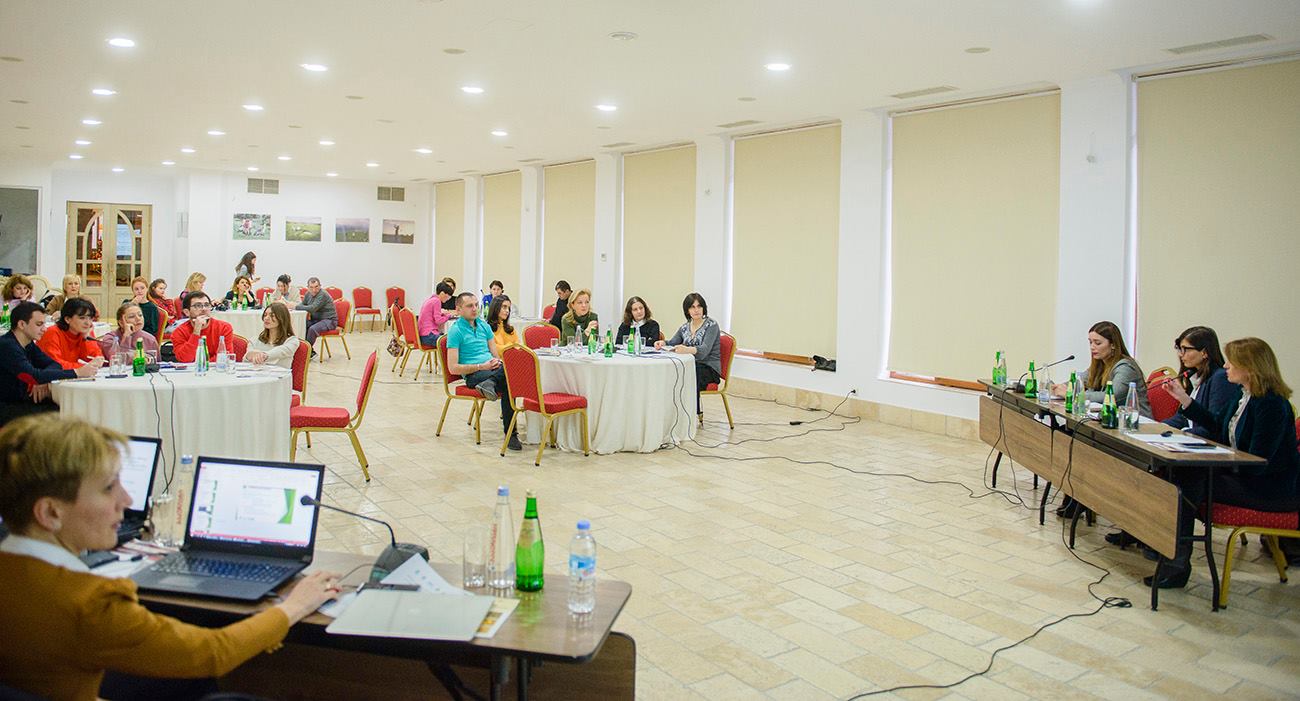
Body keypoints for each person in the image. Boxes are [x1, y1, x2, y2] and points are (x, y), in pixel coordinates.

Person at [0, 415, 342, 701]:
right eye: (108, 488)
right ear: (50, 512)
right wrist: (294, 606)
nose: (127, 499)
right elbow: (213, 652)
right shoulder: (89, 603)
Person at [1151, 337, 1300, 588]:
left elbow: (1257, 461)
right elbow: (1216, 425)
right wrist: (1184, 399)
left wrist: (1209, 462)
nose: (1226, 366)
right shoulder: (1243, 396)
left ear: (1250, 367)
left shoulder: (1272, 404)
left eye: (1232, 361)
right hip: (1245, 476)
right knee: (1174, 475)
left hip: (1270, 488)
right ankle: (1167, 555)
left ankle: (1176, 563)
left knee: (1182, 484)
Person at [0, 302, 98, 424]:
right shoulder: (7, 346)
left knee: (72, 408)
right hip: (6, 406)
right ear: (21, 324)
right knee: (67, 413)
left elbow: (54, 364)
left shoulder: (28, 344)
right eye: (39, 324)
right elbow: (32, 376)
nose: (44, 329)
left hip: (19, 400)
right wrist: (76, 372)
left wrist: (41, 379)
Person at [446, 292, 521, 451]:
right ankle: (511, 434)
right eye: (469, 306)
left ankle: (491, 383)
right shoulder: (455, 331)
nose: (475, 309)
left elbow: (495, 355)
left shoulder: (484, 326)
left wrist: (496, 363)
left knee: (510, 376)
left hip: (491, 370)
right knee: (509, 379)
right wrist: (481, 366)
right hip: (474, 375)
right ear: (458, 310)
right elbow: (453, 368)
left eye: (476, 305)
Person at [1163, 326, 1238, 439]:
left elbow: (1214, 425)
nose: (1181, 354)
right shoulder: (1196, 376)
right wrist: (1160, 427)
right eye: (1179, 349)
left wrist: (1181, 434)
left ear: (1204, 352)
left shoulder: (1220, 378)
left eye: (1186, 349)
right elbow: (1183, 419)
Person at [656, 292, 722, 417]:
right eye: (692, 307)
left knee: (689, 374)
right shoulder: (685, 327)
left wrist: (687, 349)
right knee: (675, 372)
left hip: (709, 368)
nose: (696, 310)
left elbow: (704, 351)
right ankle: (673, 413)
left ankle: (692, 415)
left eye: (699, 306)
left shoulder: (711, 325)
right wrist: (662, 343)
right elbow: (673, 342)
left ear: (703, 308)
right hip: (692, 365)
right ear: (687, 310)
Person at [36, 298, 104, 370]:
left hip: (68, 375)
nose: (88, 323)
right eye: (82, 318)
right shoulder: (52, 333)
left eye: (90, 318)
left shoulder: (82, 332)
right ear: (67, 319)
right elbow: (55, 365)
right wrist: (84, 367)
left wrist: (87, 339)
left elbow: (96, 358)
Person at [170, 291, 235, 363]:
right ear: (186, 312)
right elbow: (185, 359)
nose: (204, 309)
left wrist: (203, 365)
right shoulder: (179, 332)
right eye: (198, 305)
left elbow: (224, 357)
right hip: (192, 369)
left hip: (215, 368)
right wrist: (196, 332)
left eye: (207, 305)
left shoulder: (224, 328)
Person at [247, 302, 299, 369]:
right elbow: (246, 359)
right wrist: (250, 355)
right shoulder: (254, 340)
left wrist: (264, 355)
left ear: (282, 319)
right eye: (265, 315)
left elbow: (281, 351)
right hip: (256, 375)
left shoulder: (292, 341)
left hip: (280, 375)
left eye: (272, 316)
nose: (266, 318)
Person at [296, 277, 337, 354]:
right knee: (301, 324)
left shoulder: (322, 294)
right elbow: (302, 305)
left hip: (329, 320)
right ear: (308, 287)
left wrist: (294, 306)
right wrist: (295, 306)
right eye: (311, 287)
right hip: (316, 320)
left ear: (320, 286)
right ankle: (306, 350)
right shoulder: (308, 294)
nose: (314, 290)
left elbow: (312, 308)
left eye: (316, 287)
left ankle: (306, 352)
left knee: (312, 329)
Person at [418, 281, 456, 348]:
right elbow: (439, 321)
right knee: (454, 341)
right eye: (448, 296)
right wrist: (449, 315)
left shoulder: (431, 299)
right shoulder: (437, 301)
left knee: (449, 337)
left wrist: (443, 314)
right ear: (442, 293)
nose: (449, 298)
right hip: (429, 336)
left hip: (424, 335)